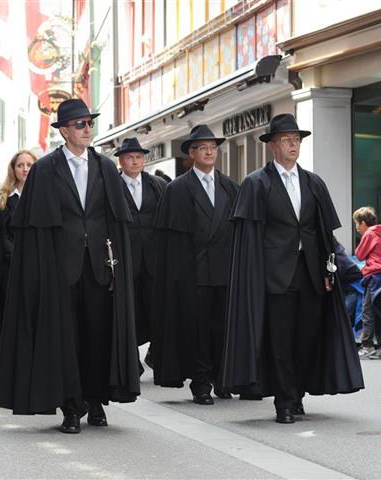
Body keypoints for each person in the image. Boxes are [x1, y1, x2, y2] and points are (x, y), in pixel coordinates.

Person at [0, 99, 140, 434]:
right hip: (61, 269)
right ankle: (71, 406)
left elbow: (115, 219)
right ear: (63, 130)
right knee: (67, 338)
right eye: (80, 124)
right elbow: (34, 228)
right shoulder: (46, 168)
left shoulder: (104, 166)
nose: (87, 129)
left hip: (100, 267)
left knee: (99, 335)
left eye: (89, 123)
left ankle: (97, 399)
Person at [220, 114, 364, 424]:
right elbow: (248, 238)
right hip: (274, 275)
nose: (293, 145)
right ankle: (284, 402)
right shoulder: (256, 182)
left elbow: (324, 233)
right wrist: (253, 278)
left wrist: (329, 271)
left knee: (307, 338)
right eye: (286, 140)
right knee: (281, 340)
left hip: (311, 273)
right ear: (272, 146)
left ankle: (297, 392)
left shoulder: (313, 182)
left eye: (297, 140)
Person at [151, 124, 238, 405]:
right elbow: (168, 242)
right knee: (197, 328)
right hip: (192, 273)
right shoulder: (177, 189)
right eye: (203, 147)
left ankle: (224, 378)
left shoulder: (230, 186)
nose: (210, 151)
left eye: (213, 147)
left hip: (224, 270)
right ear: (192, 153)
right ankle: (201, 382)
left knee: (222, 326)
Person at [0, 150, 37, 384]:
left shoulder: (43, 196)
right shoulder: (1, 199)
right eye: (20, 165)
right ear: (13, 169)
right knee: (6, 320)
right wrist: (19, 257)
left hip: (37, 271)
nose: (25, 169)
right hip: (8, 271)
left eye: (29, 165)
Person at [115, 138, 167, 376]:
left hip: (154, 257)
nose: (135, 161)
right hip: (125, 257)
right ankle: (131, 359)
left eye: (138, 157)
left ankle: (157, 353)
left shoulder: (157, 185)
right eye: (130, 157)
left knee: (157, 306)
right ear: (121, 160)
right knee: (129, 309)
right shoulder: (112, 185)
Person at [353, 206, 381, 359]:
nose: (357, 228)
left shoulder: (369, 233)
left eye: (357, 224)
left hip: (374, 276)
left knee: (368, 311)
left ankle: (367, 346)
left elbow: (359, 255)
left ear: (363, 223)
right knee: (379, 312)